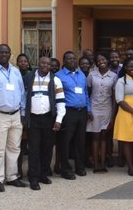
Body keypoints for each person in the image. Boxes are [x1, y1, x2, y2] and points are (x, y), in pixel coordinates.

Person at [0, 44, 27, 192]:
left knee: (14, 148)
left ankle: (12, 176)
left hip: (15, 115)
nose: (3, 54)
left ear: (10, 54)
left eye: (6, 52)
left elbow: (21, 93)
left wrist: (23, 113)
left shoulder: (15, 71)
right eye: (1, 52)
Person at [23, 56, 66, 190]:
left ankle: (43, 174)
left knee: (47, 149)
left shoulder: (55, 80)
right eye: (43, 63)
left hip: (49, 119)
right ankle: (33, 178)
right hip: (33, 119)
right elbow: (22, 98)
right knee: (34, 149)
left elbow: (60, 102)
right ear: (38, 63)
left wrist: (59, 120)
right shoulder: (29, 78)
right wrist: (23, 116)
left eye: (48, 64)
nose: (45, 66)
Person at [56, 51, 92, 180]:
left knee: (80, 141)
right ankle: (65, 169)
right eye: (69, 59)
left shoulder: (81, 74)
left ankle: (79, 166)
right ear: (64, 61)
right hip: (68, 112)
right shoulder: (58, 76)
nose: (72, 61)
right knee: (65, 142)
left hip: (81, 112)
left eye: (74, 59)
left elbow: (85, 93)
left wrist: (88, 109)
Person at [86, 54, 117, 173]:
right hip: (94, 108)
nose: (101, 62)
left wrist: (113, 115)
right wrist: (88, 110)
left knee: (104, 137)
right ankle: (96, 164)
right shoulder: (91, 74)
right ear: (96, 63)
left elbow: (114, 98)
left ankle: (103, 164)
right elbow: (87, 93)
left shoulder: (114, 76)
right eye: (98, 60)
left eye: (103, 59)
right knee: (95, 137)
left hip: (107, 108)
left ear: (107, 61)